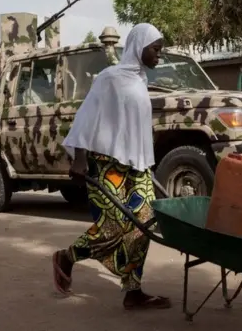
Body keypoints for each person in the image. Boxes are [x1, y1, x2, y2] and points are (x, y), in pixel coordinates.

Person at [52, 23, 170, 310]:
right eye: (155, 49)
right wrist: (79, 159)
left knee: (144, 225)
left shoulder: (140, 81)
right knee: (115, 225)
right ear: (138, 45)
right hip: (105, 162)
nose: (159, 55)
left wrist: (147, 166)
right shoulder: (110, 78)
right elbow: (87, 118)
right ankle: (67, 257)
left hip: (137, 166)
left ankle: (133, 291)